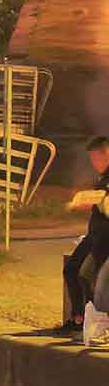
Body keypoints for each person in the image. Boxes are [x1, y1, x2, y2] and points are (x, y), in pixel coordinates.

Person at [59, 134, 109, 332]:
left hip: (104, 238)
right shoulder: (102, 178)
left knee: (86, 275)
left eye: (95, 158)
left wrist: (96, 202)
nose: (93, 163)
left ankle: (92, 321)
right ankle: (78, 318)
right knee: (70, 269)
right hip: (93, 235)